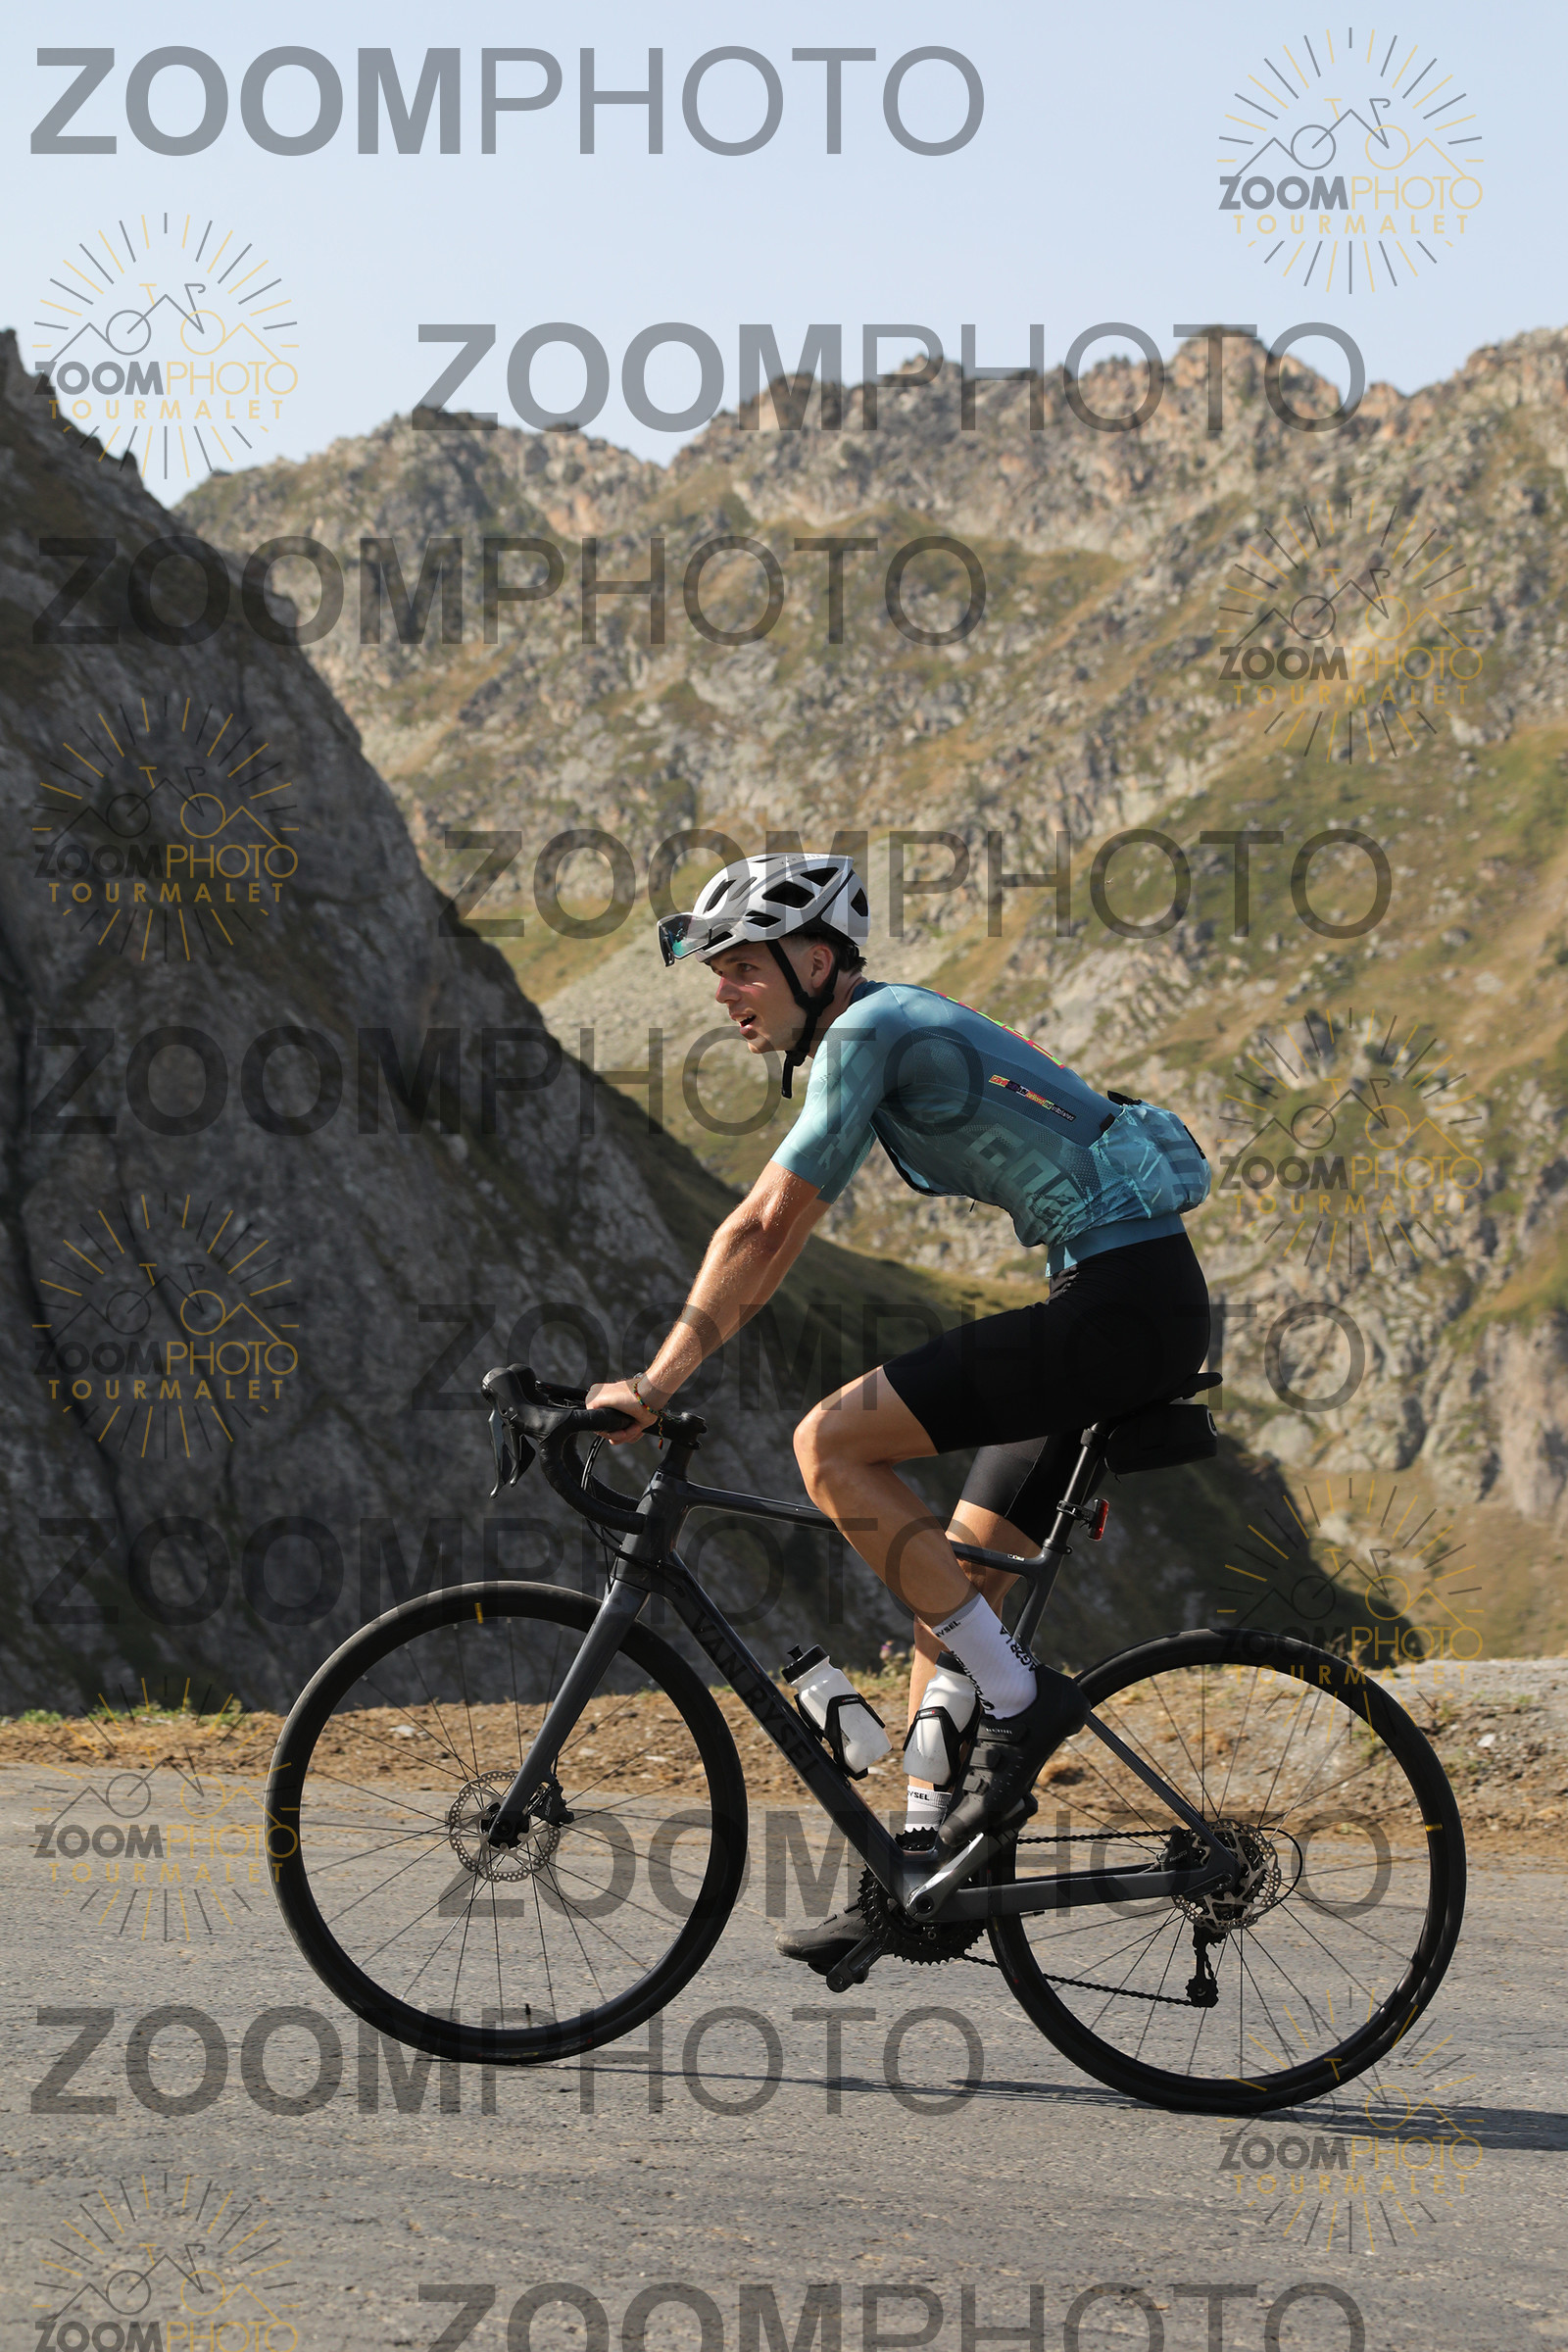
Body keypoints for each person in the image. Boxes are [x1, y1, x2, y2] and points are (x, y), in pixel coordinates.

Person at [586, 851, 1211, 1971]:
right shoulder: (876, 1027)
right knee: (947, 1584)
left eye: (741, 968)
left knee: (828, 1443)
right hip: (1119, 1302)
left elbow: (765, 1228)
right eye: (718, 972)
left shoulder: (869, 1032)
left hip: (1121, 1305)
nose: (724, 993)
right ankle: (917, 1876)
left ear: (815, 959)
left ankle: (1019, 1705)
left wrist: (655, 1381)